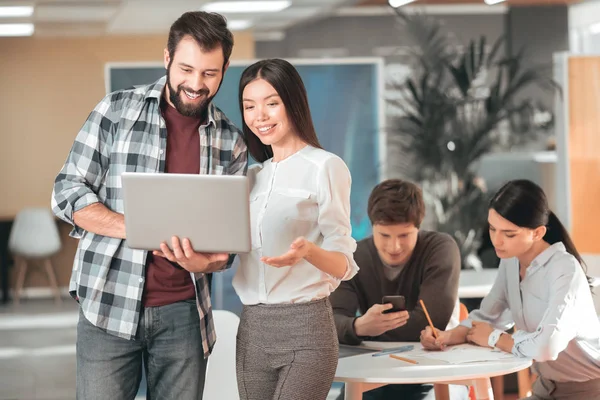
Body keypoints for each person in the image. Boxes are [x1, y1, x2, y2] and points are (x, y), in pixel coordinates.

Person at [51, 11, 247, 400]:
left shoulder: (231, 141)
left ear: (224, 68)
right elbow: (67, 190)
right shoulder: (116, 111)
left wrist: (204, 263)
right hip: (108, 300)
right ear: (167, 59)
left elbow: (227, 250)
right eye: (186, 69)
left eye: (209, 73)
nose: (195, 84)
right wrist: (137, 225)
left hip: (184, 313)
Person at [231, 58, 359, 400]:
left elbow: (344, 264)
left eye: (272, 103)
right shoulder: (250, 178)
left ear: (293, 103)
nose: (260, 116)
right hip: (253, 331)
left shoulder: (325, 167)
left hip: (306, 330)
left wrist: (309, 252)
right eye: (249, 106)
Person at [421, 179, 600, 400]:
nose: (497, 240)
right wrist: (447, 336)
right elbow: (488, 317)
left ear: (537, 233)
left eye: (509, 234)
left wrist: (496, 339)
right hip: (545, 388)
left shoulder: (564, 269)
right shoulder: (511, 261)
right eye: (493, 228)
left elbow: (548, 346)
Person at [331, 179, 468, 400]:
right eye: (384, 235)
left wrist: (359, 330)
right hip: (372, 374)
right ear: (372, 226)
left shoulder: (441, 248)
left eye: (404, 235)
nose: (394, 247)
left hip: (434, 374)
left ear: (418, 227)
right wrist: (358, 325)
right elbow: (330, 324)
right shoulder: (354, 257)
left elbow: (429, 323)